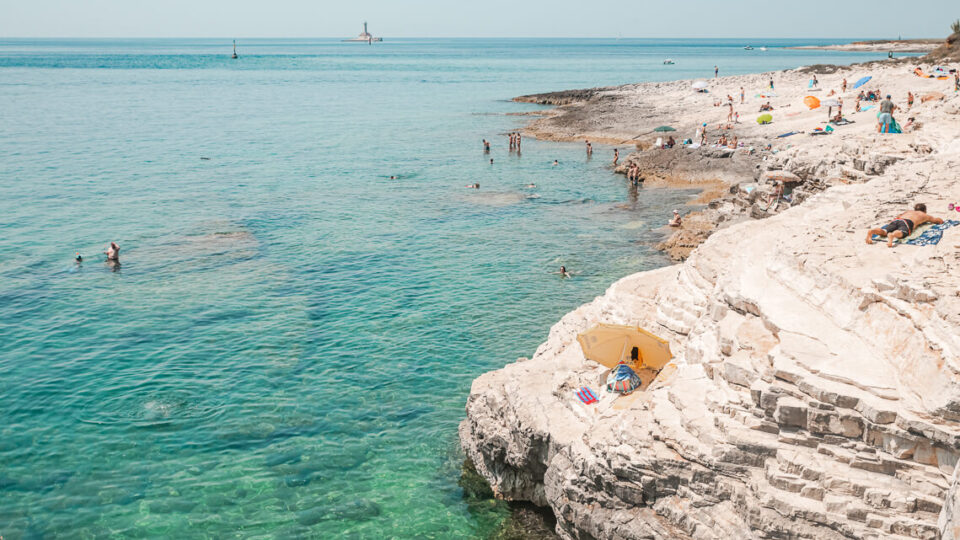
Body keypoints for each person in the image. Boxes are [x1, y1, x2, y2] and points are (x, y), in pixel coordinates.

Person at [866, 203, 942, 247]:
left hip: (897, 220)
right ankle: (892, 235)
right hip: (908, 222)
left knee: (884, 231)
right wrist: (940, 220)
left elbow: (898, 216)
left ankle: (872, 231)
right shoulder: (924, 215)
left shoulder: (908, 212)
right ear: (925, 210)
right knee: (903, 232)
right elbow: (937, 221)